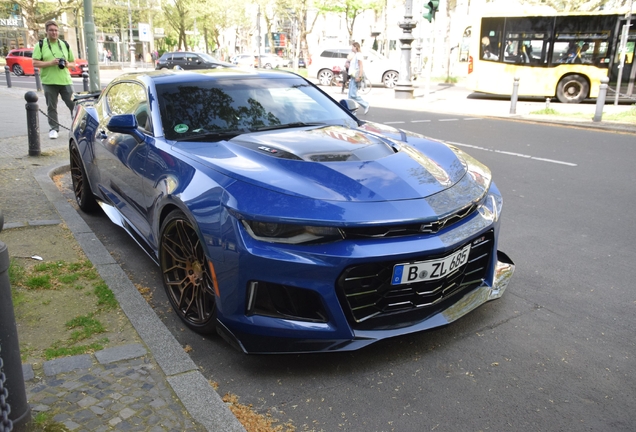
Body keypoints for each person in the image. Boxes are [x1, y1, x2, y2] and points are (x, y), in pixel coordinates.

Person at [32, 20, 76, 140]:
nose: (54, 33)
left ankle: (76, 127)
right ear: (46, 31)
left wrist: (67, 64)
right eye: (51, 30)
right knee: (51, 107)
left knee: (74, 105)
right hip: (49, 81)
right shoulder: (40, 45)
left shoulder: (64, 44)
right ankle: (54, 129)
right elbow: (35, 63)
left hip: (65, 81)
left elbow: (73, 63)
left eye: (56, 30)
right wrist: (51, 63)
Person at [347, 42, 370, 114]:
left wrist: (359, 76)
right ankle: (352, 111)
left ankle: (365, 104)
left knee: (353, 95)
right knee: (350, 95)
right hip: (353, 76)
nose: (351, 48)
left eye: (352, 47)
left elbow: (360, 66)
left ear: (355, 47)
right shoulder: (355, 55)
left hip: (356, 76)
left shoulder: (359, 55)